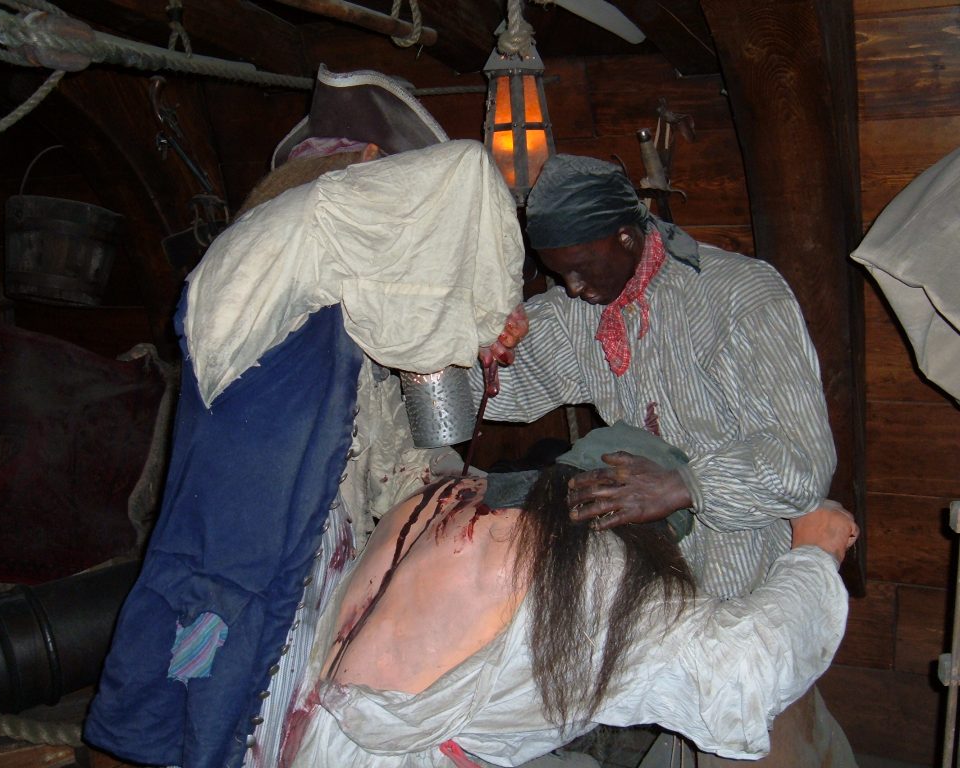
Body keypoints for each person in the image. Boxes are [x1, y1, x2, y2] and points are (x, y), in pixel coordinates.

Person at [83, 66, 525, 768]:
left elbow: (399, 444)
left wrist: (442, 474)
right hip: (231, 561)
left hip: (303, 558)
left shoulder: (341, 302)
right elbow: (466, 173)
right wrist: (482, 309)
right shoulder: (270, 253)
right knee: (195, 693)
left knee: (260, 708)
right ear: (369, 176)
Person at [475, 153, 851, 766]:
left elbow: (802, 463)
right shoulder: (584, 310)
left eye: (579, 270)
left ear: (627, 235)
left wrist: (684, 484)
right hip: (665, 584)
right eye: (557, 274)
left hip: (746, 578)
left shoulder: (740, 295)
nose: (572, 288)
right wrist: (482, 349)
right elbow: (499, 396)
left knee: (750, 720)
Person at [282, 422, 859, 768]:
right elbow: (742, 672)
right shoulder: (596, 574)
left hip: (300, 736)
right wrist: (816, 555)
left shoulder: (446, 496)